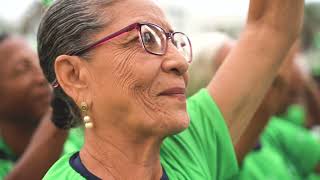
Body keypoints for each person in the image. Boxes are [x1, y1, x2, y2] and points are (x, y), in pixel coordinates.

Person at [38, 0, 304, 179]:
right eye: (145, 38)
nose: (179, 61)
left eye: (173, 40)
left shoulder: (190, 144)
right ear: (74, 75)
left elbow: (270, 27)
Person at [0, 33, 52, 178]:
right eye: (23, 69)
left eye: (40, 63)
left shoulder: (80, 135)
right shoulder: (60, 128)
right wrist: (58, 119)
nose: (43, 77)